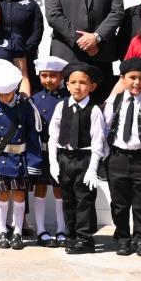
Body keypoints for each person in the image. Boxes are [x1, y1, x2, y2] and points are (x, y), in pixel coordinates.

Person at [0, 61, 41, 251]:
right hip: (0, 159)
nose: (3, 97)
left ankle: (18, 231)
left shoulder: (26, 107)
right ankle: (2, 230)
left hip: (20, 158)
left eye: (7, 93)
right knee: (2, 194)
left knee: (20, 195)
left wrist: (33, 162)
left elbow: (32, 137)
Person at [94, 58, 141, 256]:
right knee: (119, 202)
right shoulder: (115, 101)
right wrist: (105, 156)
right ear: (123, 79)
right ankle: (122, 237)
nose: (137, 82)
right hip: (118, 157)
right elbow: (104, 128)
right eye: (132, 78)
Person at [47, 64, 102, 256]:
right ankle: (71, 236)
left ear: (92, 86)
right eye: (73, 82)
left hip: (84, 158)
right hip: (64, 157)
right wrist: (54, 162)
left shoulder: (94, 110)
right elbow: (53, 136)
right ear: (67, 85)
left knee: (84, 200)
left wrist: (92, 169)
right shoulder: (61, 106)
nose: (78, 87)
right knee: (68, 199)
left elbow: (98, 142)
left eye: (83, 83)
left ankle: (85, 238)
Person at [31, 58, 69, 246]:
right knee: (40, 188)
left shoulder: (68, 99)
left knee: (59, 189)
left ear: (61, 76)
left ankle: (62, 229)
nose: (48, 80)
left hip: (60, 153)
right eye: (44, 76)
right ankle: (41, 230)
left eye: (53, 76)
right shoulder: (35, 99)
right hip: (40, 152)